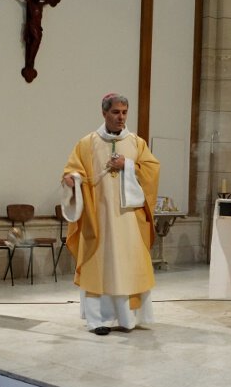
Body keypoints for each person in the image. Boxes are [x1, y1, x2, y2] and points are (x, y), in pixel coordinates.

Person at [61, 94, 160, 335]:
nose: (121, 117)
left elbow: (151, 170)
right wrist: (70, 180)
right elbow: (73, 170)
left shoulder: (137, 143)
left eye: (125, 112)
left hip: (129, 219)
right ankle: (98, 321)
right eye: (116, 112)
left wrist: (126, 164)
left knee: (127, 265)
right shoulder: (87, 143)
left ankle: (127, 319)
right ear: (104, 113)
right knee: (100, 265)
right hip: (100, 218)